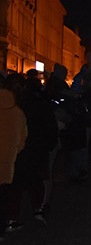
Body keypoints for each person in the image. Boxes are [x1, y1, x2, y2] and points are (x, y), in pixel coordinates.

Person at [5, 74, 58, 231]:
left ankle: (14, 216)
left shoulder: (16, 104)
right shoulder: (35, 102)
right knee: (33, 180)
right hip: (32, 148)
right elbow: (48, 125)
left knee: (16, 184)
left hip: (18, 149)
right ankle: (36, 209)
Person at [0, 75, 27, 239]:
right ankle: (2, 228)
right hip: (7, 162)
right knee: (4, 196)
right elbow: (22, 138)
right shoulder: (16, 112)